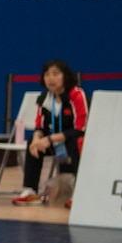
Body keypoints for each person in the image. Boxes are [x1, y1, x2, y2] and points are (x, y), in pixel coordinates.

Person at [13, 59, 88, 207]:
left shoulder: (76, 95)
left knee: (76, 142)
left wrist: (49, 139)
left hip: (74, 140)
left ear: (65, 76)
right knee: (31, 144)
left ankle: (80, 192)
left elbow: (81, 128)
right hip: (55, 141)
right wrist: (36, 140)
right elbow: (39, 126)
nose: (51, 78)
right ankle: (31, 191)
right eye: (47, 74)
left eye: (55, 74)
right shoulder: (44, 99)